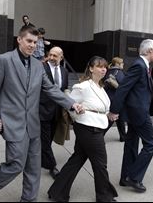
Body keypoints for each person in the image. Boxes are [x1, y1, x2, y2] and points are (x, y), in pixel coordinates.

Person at [0, 26, 83, 202]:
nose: (32, 45)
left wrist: (71, 104)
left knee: (34, 168)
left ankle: (28, 199)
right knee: (14, 166)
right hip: (13, 124)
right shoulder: (4, 60)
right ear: (19, 40)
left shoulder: (38, 65)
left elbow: (51, 89)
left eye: (35, 43)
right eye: (29, 41)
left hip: (34, 125)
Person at [48, 56, 118, 202]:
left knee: (77, 159)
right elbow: (69, 105)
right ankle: (104, 197)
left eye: (105, 66)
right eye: (99, 66)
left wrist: (108, 115)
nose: (103, 69)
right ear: (91, 68)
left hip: (97, 126)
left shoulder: (101, 87)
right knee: (100, 164)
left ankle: (57, 191)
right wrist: (77, 112)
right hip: (88, 128)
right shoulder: (82, 86)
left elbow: (101, 108)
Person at [108, 39, 153, 193]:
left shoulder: (143, 65)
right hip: (139, 113)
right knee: (150, 145)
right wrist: (114, 110)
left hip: (136, 112)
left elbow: (150, 82)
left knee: (131, 144)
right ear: (150, 50)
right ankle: (134, 177)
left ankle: (125, 177)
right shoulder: (139, 65)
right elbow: (123, 89)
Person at [39, 46, 68, 179]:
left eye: (55, 56)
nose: (51, 58)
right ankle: (52, 166)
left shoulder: (64, 71)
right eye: (50, 55)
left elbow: (64, 89)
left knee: (48, 138)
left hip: (57, 112)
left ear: (61, 57)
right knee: (45, 140)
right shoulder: (41, 68)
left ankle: (40, 158)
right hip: (42, 110)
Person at [102, 57, 126, 142]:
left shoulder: (108, 71)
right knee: (111, 119)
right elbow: (123, 87)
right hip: (116, 99)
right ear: (117, 64)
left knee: (120, 119)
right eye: (122, 63)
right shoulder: (119, 72)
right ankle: (100, 135)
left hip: (109, 98)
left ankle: (123, 136)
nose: (123, 64)